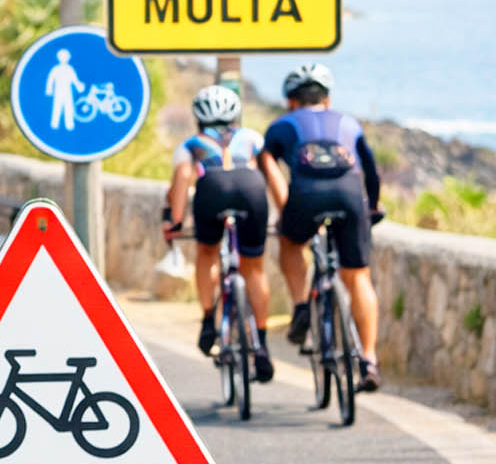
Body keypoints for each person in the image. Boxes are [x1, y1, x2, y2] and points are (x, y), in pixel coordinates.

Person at [258, 63, 385, 390]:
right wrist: (373, 205)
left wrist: (283, 204)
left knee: (290, 244)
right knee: (358, 276)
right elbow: (371, 172)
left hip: (305, 197)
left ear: (292, 101)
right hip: (349, 198)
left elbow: (266, 161)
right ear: (326, 100)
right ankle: (369, 360)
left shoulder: (282, 124)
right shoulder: (350, 123)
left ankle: (301, 307)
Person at [164, 84, 273, 381]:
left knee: (207, 253)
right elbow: (272, 174)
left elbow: (185, 177)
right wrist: (285, 211)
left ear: (198, 117)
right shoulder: (253, 138)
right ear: (237, 114)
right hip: (251, 189)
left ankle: (209, 319)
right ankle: (261, 345)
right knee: (255, 267)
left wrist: (174, 220)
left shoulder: (191, 145)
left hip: (212, 191)